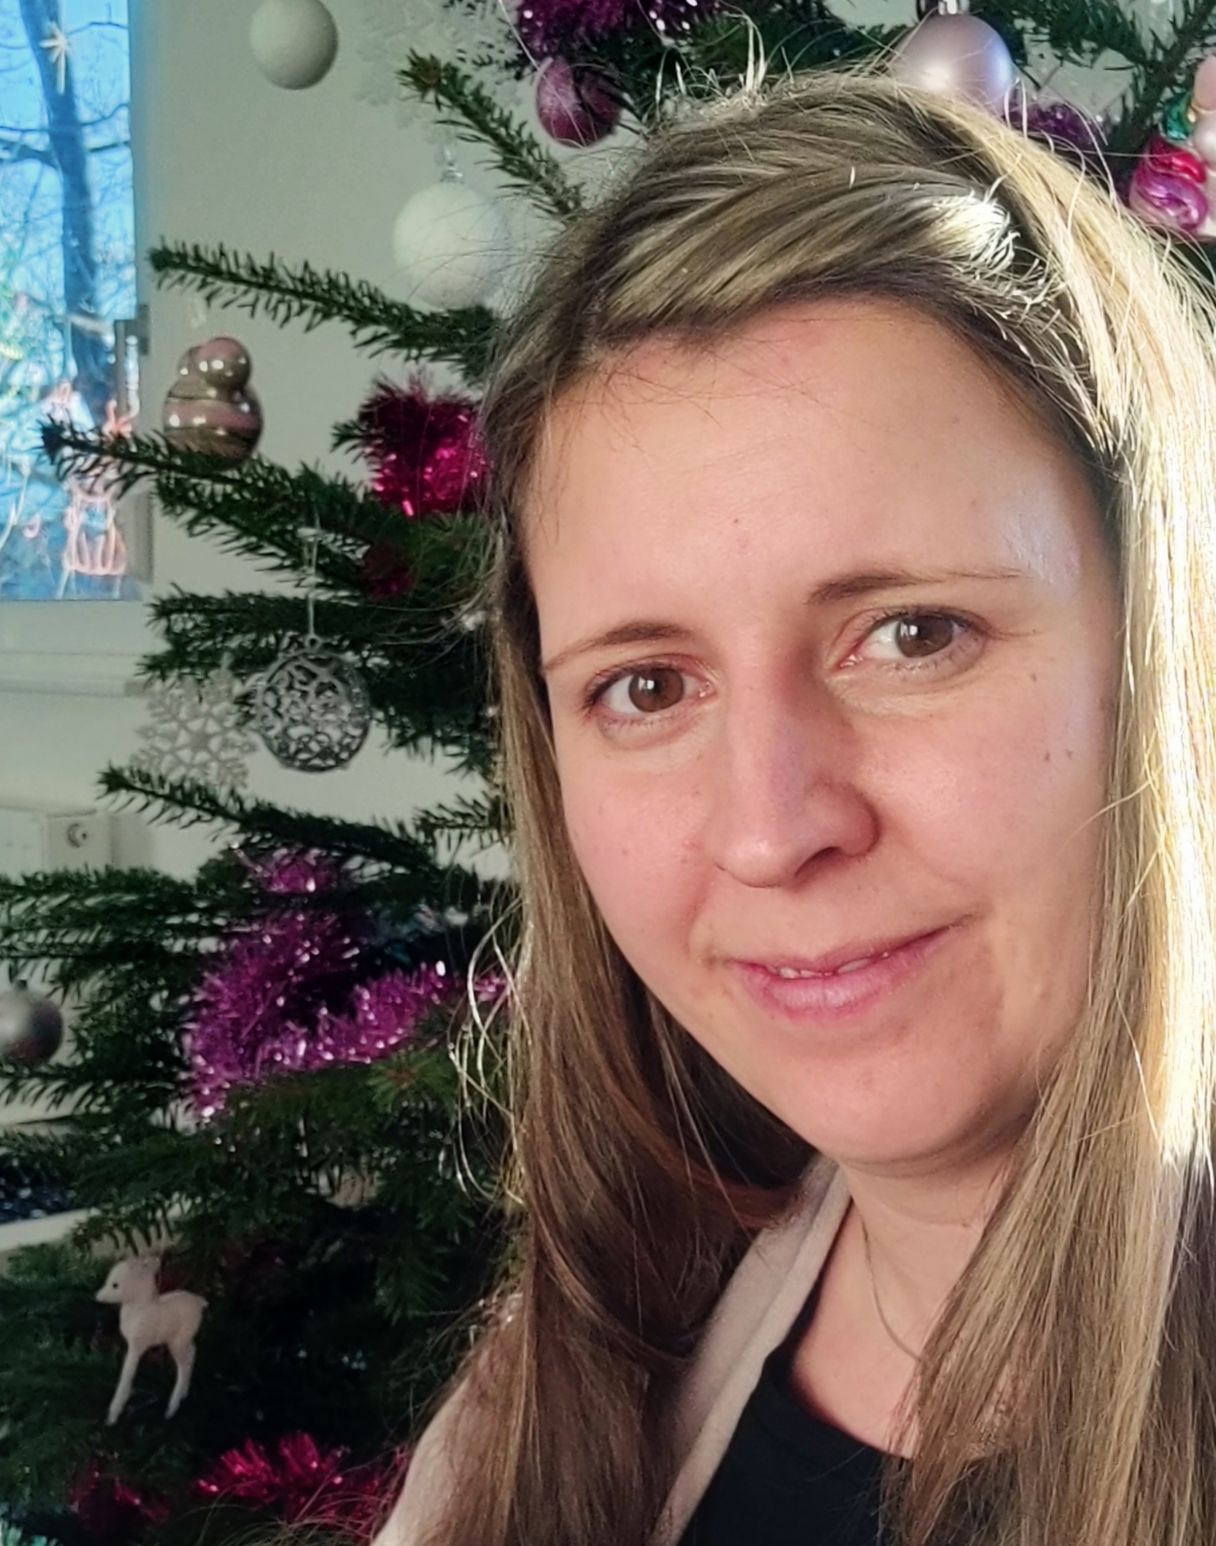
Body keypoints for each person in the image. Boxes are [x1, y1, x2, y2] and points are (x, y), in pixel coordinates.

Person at [373, 54, 1216, 1546]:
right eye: (648, 685)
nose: (771, 830)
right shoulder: (581, 1367)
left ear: (1166, 647)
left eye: (914, 634)